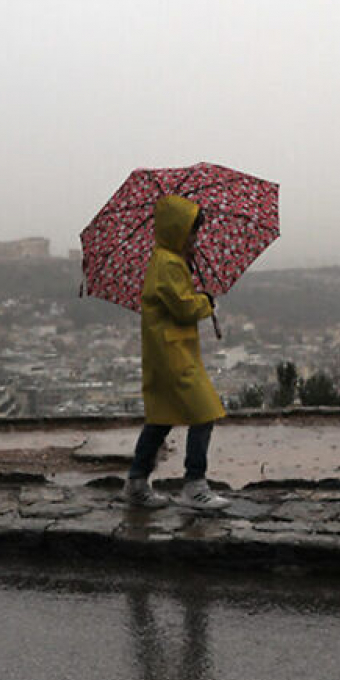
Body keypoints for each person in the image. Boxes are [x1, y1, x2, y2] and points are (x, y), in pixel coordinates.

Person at [124, 195, 230, 510]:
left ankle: (137, 481)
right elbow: (183, 307)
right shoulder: (169, 263)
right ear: (178, 230)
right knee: (205, 412)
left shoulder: (168, 260)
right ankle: (194, 483)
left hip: (167, 351)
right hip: (173, 356)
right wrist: (206, 302)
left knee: (162, 418)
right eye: (192, 231)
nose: (196, 238)